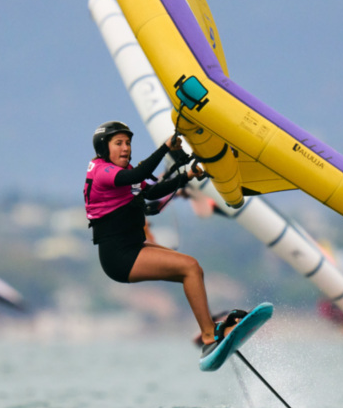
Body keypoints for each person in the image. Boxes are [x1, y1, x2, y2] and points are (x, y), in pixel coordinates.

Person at [83, 121, 242, 353]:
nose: (125, 148)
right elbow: (140, 173)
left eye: (127, 143)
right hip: (120, 256)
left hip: (133, 246)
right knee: (190, 267)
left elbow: (152, 191)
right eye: (118, 143)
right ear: (103, 148)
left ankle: (210, 329)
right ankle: (209, 334)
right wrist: (166, 147)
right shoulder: (102, 171)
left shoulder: (122, 173)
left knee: (192, 270)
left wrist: (187, 175)